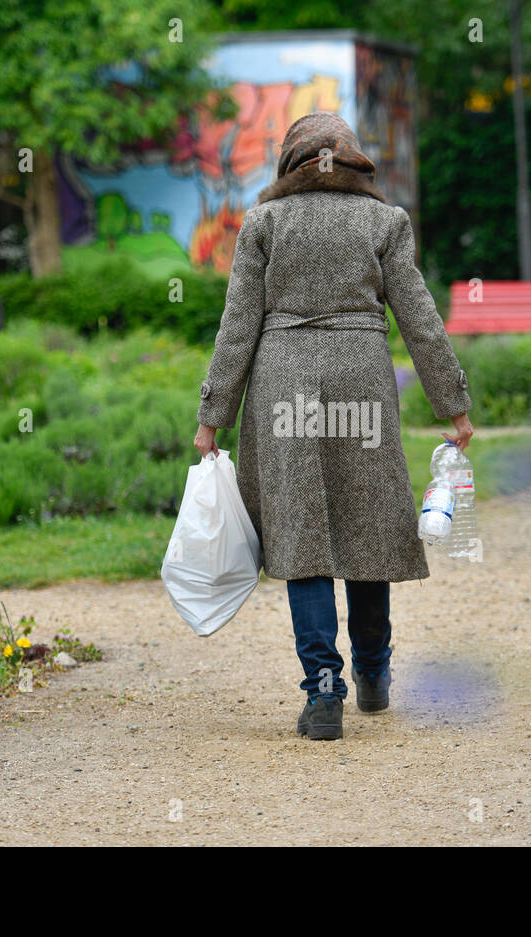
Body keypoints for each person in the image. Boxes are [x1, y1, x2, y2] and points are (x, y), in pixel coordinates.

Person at [193, 111, 473, 741]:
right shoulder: (384, 221)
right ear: (355, 161)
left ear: (289, 161)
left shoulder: (264, 223)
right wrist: (452, 403)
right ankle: (374, 677)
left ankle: (323, 695)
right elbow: (420, 318)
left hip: (283, 382)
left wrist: (212, 417)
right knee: (369, 527)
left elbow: (237, 326)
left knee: (305, 536)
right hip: (363, 380)